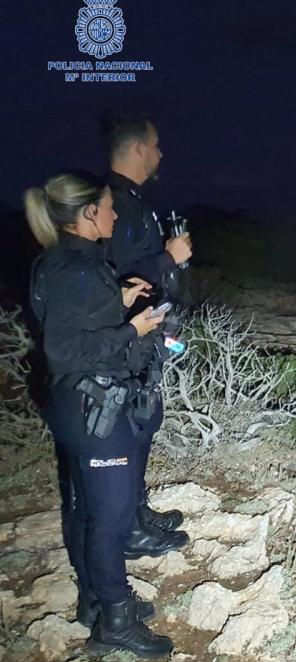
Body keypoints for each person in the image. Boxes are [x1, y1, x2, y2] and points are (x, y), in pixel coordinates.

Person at [25, 171, 176, 658]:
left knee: (88, 511)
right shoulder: (74, 269)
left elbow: (79, 316)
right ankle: (114, 617)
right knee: (108, 520)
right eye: (108, 208)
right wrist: (131, 329)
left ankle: (95, 602)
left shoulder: (70, 263)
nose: (114, 215)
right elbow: (66, 348)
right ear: (89, 214)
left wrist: (120, 299)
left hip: (80, 406)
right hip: (95, 410)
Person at [102, 113, 193, 552]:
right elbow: (115, 277)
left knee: (145, 420)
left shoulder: (135, 201)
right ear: (138, 148)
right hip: (128, 335)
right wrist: (168, 258)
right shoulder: (113, 202)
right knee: (133, 425)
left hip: (147, 332)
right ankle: (129, 528)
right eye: (156, 145)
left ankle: (138, 511)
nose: (160, 153)